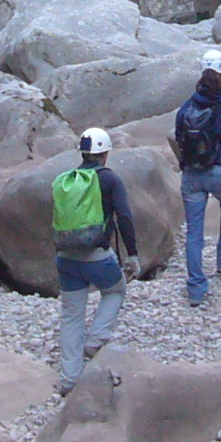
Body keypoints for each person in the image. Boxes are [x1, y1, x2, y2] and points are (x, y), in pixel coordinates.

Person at [50, 126, 141, 392]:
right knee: (115, 290)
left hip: (65, 257)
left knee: (72, 316)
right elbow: (124, 217)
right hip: (97, 257)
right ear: (105, 154)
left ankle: (68, 380)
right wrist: (132, 255)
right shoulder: (110, 179)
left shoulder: (67, 180)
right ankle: (96, 339)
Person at [172, 46, 221, 306]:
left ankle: (196, 288)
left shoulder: (186, 107)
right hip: (220, 172)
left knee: (194, 231)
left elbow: (179, 138)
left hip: (192, 174)